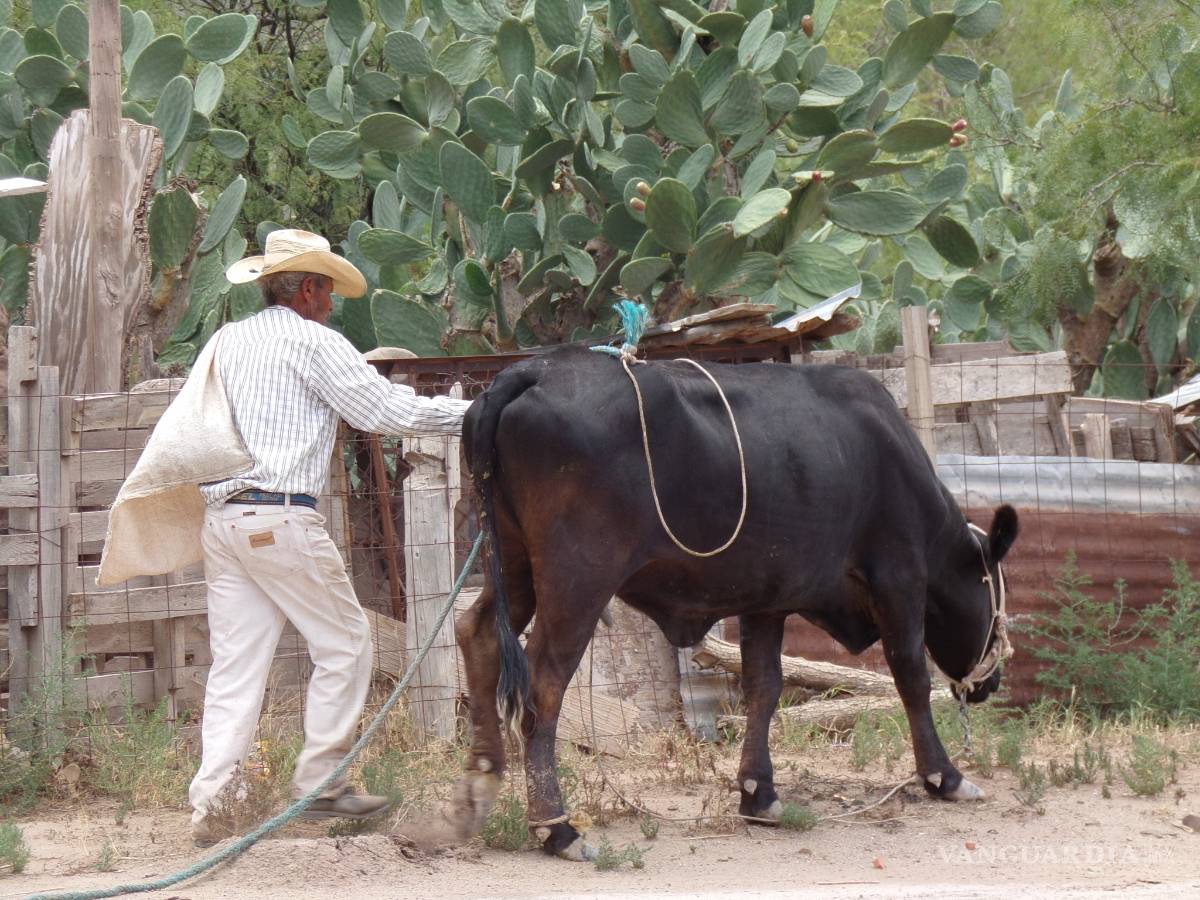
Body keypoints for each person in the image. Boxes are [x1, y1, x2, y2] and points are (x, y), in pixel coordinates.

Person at [188, 229, 472, 847]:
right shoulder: (315, 342)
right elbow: (384, 413)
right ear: (310, 289)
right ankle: (320, 783)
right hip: (279, 514)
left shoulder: (225, 341)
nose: (333, 303)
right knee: (345, 643)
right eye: (328, 291)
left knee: (237, 666)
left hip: (223, 520)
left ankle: (214, 803)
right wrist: (473, 414)